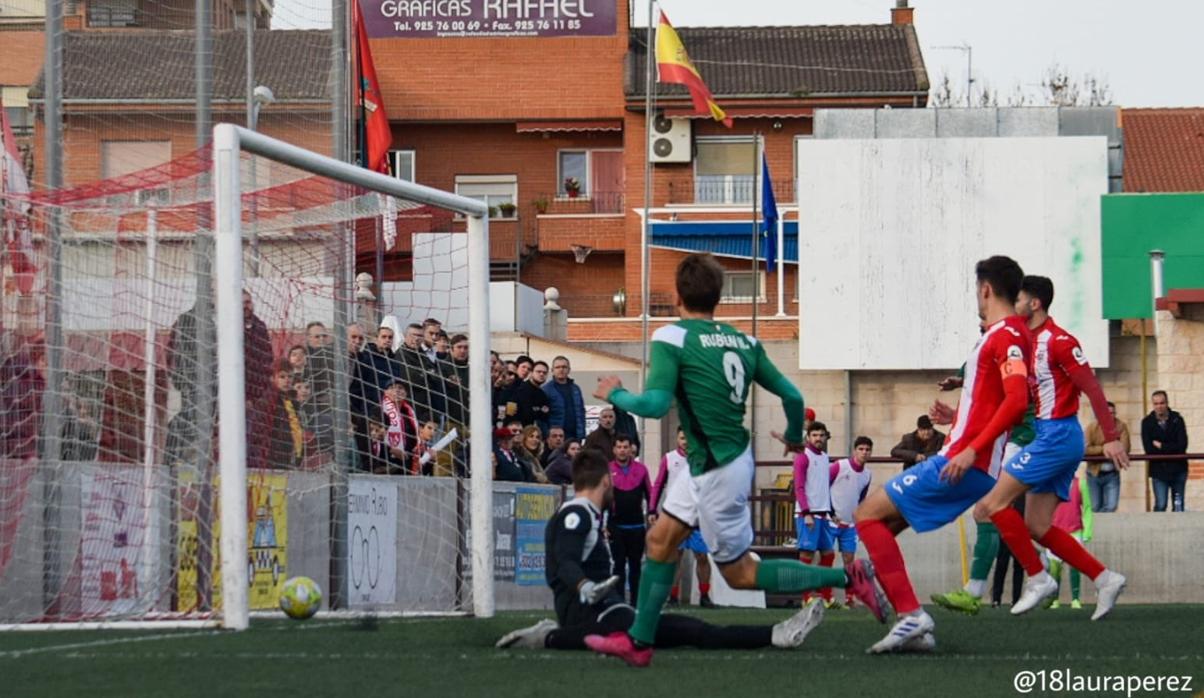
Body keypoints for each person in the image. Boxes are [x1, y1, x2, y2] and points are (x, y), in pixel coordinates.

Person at [586, 253, 886, 667]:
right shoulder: (744, 341)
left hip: (716, 470)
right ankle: (639, 642)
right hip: (714, 464)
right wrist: (796, 438)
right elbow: (794, 398)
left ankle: (847, 577)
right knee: (660, 541)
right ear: (719, 297)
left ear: (677, 295)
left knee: (739, 573)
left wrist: (616, 393)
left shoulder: (672, 338)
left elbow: (654, 405)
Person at [852, 255, 1031, 654]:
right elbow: (996, 403)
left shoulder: (1006, 336)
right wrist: (959, 420)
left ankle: (910, 614)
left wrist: (971, 449)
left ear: (985, 289)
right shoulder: (1003, 336)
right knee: (886, 522)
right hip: (968, 459)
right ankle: (883, 587)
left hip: (964, 462)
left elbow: (1018, 402)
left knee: (865, 515)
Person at [495, 448, 826, 653]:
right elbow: (565, 562)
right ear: (607, 481)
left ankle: (778, 634)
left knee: (689, 631)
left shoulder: (585, 513)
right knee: (688, 631)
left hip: (607, 610)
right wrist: (585, 587)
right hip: (590, 612)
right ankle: (551, 636)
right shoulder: (575, 514)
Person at [973, 275, 1129, 620]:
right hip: (1049, 437)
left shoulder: (1059, 341)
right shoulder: (1025, 342)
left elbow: (1092, 387)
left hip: (1058, 437)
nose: (1012, 306)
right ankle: (1105, 579)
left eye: (1018, 300)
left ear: (1035, 303)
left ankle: (1039, 577)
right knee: (1037, 525)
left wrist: (1111, 436)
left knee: (991, 504)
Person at [650, 428, 715, 608]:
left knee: (702, 556)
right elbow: (658, 485)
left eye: (689, 437)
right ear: (677, 439)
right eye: (682, 438)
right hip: (676, 515)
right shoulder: (669, 459)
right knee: (675, 556)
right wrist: (651, 509)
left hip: (698, 516)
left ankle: (704, 595)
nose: (685, 441)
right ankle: (673, 596)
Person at [792, 422, 836, 606]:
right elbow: (799, 487)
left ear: (826, 437)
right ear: (808, 437)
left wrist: (831, 511)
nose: (818, 438)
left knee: (828, 554)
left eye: (821, 435)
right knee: (807, 556)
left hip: (823, 514)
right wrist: (806, 512)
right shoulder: (803, 457)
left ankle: (825, 597)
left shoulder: (825, 457)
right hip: (807, 514)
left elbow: (823, 486)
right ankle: (806, 597)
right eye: (815, 435)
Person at [827, 436, 874, 608]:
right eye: (861, 449)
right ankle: (825, 596)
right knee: (827, 558)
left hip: (850, 524)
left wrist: (859, 520)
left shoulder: (867, 475)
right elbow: (823, 486)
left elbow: (861, 499)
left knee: (849, 560)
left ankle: (849, 597)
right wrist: (830, 512)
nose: (864, 452)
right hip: (831, 521)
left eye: (867, 449)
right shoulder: (839, 466)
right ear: (855, 450)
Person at [607, 434, 651, 605]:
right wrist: (602, 522)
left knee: (635, 567)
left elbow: (650, 493)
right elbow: (602, 498)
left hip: (636, 526)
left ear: (631, 448)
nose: (622, 450)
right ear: (614, 449)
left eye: (625, 447)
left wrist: (653, 512)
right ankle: (618, 602)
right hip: (616, 525)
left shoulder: (641, 470)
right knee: (618, 566)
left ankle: (635, 602)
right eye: (619, 447)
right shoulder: (608, 470)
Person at [1048, 474, 1094, 609]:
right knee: (1055, 567)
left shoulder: (1081, 484)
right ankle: (1054, 599)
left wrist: (1087, 531)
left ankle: (1075, 599)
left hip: (1075, 531)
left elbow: (1087, 507)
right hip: (1054, 532)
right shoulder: (1050, 483)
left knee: (1075, 566)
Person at [1141, 390, 1189, 512]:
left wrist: (1161, 446)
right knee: (1161, 504)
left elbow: (1182, 446)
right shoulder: (1147, 423)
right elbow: (1149, 449)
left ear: (1167, 403)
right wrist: (1172, 448)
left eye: (1162, 403)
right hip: (1159, 470)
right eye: (1156, 404)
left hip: (1178, 469)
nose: (1159, 406)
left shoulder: (1177, 419)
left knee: (1178, 506)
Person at [1085, 401, 1129, 513]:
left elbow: (1125, 448)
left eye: (1113, 413)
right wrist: (1103, 448)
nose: (1111, 416)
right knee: (1095, 507)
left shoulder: (1121, 426)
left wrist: (1106, 450)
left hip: (1112, 473)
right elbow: (1085, 449)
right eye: (1108, 413)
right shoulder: (1091, 428)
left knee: (1111, 507)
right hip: (1094, 473)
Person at [381, 378, 420, 475]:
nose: (397, 390)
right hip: (387, 460)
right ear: (385, 392)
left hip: (408, 460)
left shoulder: (410, 412)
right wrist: (390, 449)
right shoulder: (379, 410)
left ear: (406, 393)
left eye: (401, 388)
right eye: (392, 388)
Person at [543, 355, 586, 441]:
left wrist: (582, 432)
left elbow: (581, 411)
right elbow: (543, 417)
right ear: (552, 370)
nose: (561, 369)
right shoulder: (546, 390)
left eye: (564, 367)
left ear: (569, 370)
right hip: (556, 437)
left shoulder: (575, 389)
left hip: (575, 436)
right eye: (557, 367)